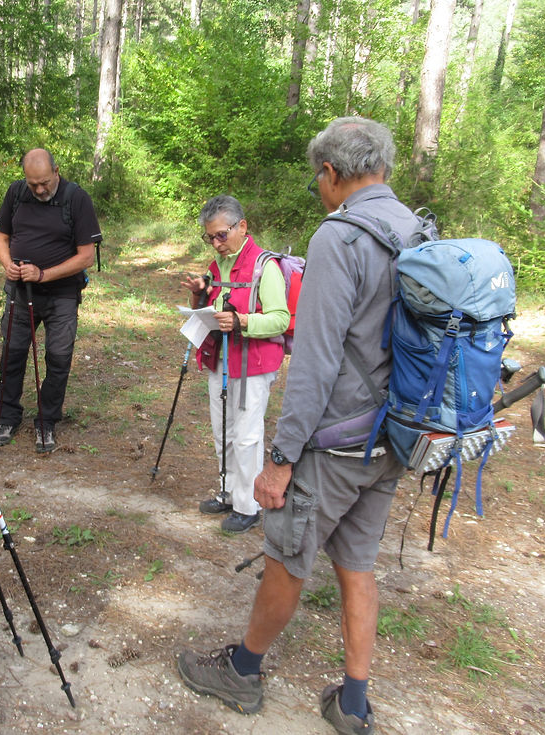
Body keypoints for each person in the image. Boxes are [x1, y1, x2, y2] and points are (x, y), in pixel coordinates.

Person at [176, 117, 418, 734]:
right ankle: (354, 701)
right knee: (357, 565)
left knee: (287, 554)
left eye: (319, 178)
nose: (319, 188)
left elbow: (314, 357)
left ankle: (243, 671)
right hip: (393, 434)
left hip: (336, 441)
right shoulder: (413, 228)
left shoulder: (341, 237)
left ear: (332, 173)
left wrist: (280, 458)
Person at [181, 196, 289, 534]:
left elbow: (281, 319)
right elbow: (215, 307)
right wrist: (200, 295)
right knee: (222, 431)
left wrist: (242, 321)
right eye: (210, 237)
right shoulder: (218, 265)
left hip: (252, 364)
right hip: (221, 360)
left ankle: (248, 505)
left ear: (242, 226)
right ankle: (228, 493)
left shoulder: (263, 266)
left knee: (246, 436)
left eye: (221, 235)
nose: (216, 243)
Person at [0, 148, 101, 453]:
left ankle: (47, 420)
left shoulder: (76, 199)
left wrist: (43, 274)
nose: (39, 189)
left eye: (44, 183)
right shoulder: (16, 193)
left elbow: (86, 256)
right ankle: (8, 416)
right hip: (19, 290)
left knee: (58, 358)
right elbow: (1, 238)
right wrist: (7, 264)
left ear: (56, 171)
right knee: (12, 354)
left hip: (62, 294)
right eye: (33, 184)